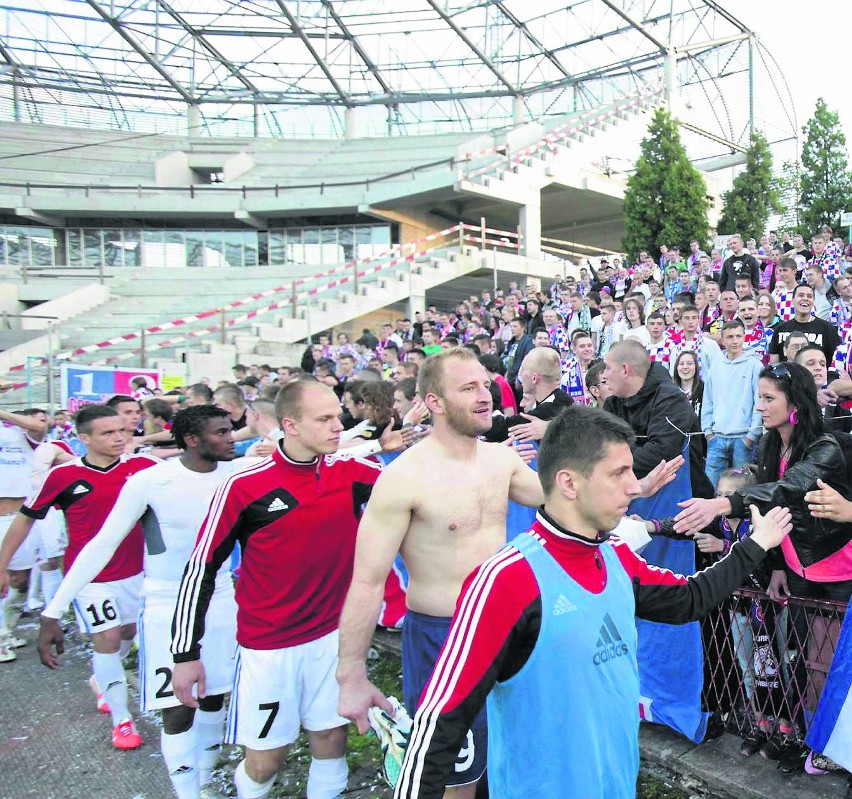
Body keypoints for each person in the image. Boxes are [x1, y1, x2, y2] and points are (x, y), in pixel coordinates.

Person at [391, 405, 793, 799]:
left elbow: (689, 600)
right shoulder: (507, 579)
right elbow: (440, 719)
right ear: (569, 483)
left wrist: (755, 544)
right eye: (618, 474)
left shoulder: (615, 557)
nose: (635, 487)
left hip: (615, 783)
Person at [336, 348, 545, 797]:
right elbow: (368, 581)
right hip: (443, 641)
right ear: (433, 402)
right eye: (468, 388)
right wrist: (351, 675)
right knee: (455, 781)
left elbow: (560, 499)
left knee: (507, 761)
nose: (484, 395)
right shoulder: (403, 478)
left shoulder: (500, 460)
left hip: (506, 633)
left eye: (485, 385)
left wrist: (627, 484)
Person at [169, 382, 384, 799]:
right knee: (267, 759)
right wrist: (185, 655)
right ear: (291, 425)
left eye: (338, 415)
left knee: (331, 742)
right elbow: (200, 570)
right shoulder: (244, 485)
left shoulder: (353, 473)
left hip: (333, 640)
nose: (339, 426)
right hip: (269, 648)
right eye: (324, 419)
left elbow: (413, 486)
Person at [37, 406, 242, 798]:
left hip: (220, 597)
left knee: (216, 694)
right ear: (193, 440)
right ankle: (186, 792)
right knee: (178, 704)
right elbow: (103, 543)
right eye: (222, 432)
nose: (233, 438)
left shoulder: (239, 473)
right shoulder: (151, 480)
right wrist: (53, 610)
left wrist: (375, 444)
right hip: (167, 601)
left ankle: (203, 780)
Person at [674, 362, 852, 772]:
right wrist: (775, 566)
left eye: (769, 398)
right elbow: (766, 514)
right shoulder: (770, 447)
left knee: (837, 664)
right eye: (759, 396)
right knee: (810, 661)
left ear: (796, 403)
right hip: (796, 570)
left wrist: (722, 504)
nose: (759, 406)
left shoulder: (826, 446)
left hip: (838, 572)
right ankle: (814, 738)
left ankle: (837, 748)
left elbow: (786, 490)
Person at [0, 404, 159, 749]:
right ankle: (123, 721)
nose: (119, 437)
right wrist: (2, 563)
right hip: (89, 578)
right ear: (83, 438)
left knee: (128, 633)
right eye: (107, 433)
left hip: (137, 572)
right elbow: (26, 519)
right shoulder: (63, 476)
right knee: (108, 639)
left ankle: (101, 679)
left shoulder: (145, 468)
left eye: (122, 430)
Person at [603, 339, 714, 499]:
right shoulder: (611, 404)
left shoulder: (670, 399)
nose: (604, 375)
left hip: (682, 505)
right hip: (631, 500)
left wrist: (614, 463)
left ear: (625, 370)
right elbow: (602, 450)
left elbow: (660, 454)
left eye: (607, 367)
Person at [0, 406, 49, 660]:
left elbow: (40, 427)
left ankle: (5, 632)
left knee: (19, 580)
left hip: (17, 518)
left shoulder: (18, 433)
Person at [700, 320, 762, 489]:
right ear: (722, 339)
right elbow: (708, 401)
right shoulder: (715, 367)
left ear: (744, 337)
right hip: (717, 438)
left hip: (743, 439)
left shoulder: (755, 366)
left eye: (738, 336)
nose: (735, 341)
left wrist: (751, 436)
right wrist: (708, 433)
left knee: (742, 491)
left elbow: (760, 402)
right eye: (730, 337)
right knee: (711, 489)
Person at [768, 284, 840, 364]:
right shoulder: (780, 329)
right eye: (801, 295)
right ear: (793, 301)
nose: (805, 298)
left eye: (809, 296)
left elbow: (835, 362)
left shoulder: (827, 328)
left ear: (813, 301)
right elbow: (773, 365)